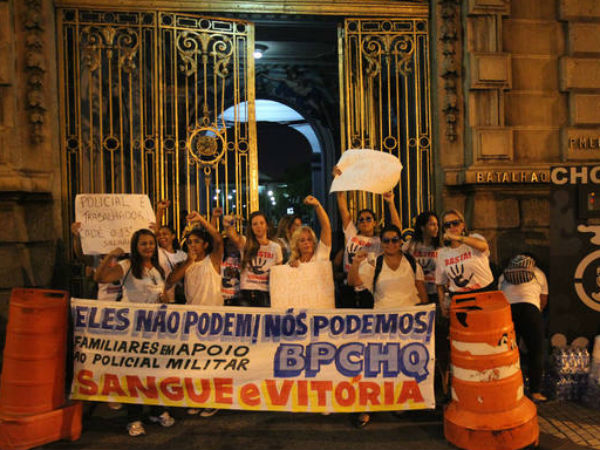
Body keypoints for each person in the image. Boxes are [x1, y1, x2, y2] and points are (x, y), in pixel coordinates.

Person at [94, 229, 175, 436]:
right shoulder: (127, 266)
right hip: (134, 330)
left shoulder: (157, 268)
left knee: (155, 372)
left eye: (150, 243)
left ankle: (156, 411)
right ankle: (134, 418)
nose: (148, 247)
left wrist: (164, 299)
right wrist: (112, 256)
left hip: (156, 329)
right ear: (135, 247)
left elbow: (160, 293)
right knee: (135, 375)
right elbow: (100, 277)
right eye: (143, 244)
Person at [347, 224, 428, 428]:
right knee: (376, 364)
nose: (391, 243)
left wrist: (428, 313)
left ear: (401, 241)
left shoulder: (411, 261)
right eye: (386, 240)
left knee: (403, 363)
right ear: (381, 243)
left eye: (394, 239)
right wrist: (356, 264)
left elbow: (420, 289)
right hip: (382, 320)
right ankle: (366, 406)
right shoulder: (375, 263)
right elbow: (353, 282)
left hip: (410, 321)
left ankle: (399, 401)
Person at [334, 166, 402, 308]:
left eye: (368, 219)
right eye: (361, 219)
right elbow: (343, 209)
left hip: (371, 287)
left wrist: (390, 203)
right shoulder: (352, 234)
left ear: (375, 222)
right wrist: (339, 182)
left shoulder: (380, 240)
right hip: (349, 285)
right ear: (357, 223)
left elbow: (397, 230)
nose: (364, 221)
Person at [403, 212, 448, 400]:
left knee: (440, 340)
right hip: (418, 296)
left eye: (437, 224)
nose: (435, 228)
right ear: (422, 227)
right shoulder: (411, 246)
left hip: (437, 297)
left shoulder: (442, 248)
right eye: (431, 224)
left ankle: (443, 386)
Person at [499, 254, 549, 402]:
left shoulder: (505, 274)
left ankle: (511, 391)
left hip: (508, 311)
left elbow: (499, 296)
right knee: (537, 351)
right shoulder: (538, 273)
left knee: (509, 352)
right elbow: (543, 300)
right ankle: (535, 392)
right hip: (530, 310)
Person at [435, 209, 495, 314]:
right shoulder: (442, 253)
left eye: (455, 223)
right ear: (443, 229)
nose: (452, 227)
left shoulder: (474, 239)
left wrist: (459, 238)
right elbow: (440, 283)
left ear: (462, 225)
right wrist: (442, 305)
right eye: (447, 225)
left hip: (484, 293)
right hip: (460, 298)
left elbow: (483, 246)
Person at [225, 211, 282, 307]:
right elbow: (231, 235)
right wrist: (230, 223)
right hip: (247, 292)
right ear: (251, 227)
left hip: (266, 292)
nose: (258, 226)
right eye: (255, 224)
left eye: (261, 223)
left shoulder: (276, 247)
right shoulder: (245, 242)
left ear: (267, 225)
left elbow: (279, 273)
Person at [166, 211, 224, 307]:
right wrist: (189, 261)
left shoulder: (212, 260)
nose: (192, 245)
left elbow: (218, 239)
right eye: (189, 242)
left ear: (205, 245)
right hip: (192, 315)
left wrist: (201, 220)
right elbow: (169, 282)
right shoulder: (185, 263)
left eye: (197, 241)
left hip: (213, 315)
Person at [288, 195, 331, 266]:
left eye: (309, 239)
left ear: (313, 242)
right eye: (302, 240)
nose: (306, 243)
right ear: (296, 245)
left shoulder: (321, 255)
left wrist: (317, 205)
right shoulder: (291, 264)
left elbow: (326, 227)